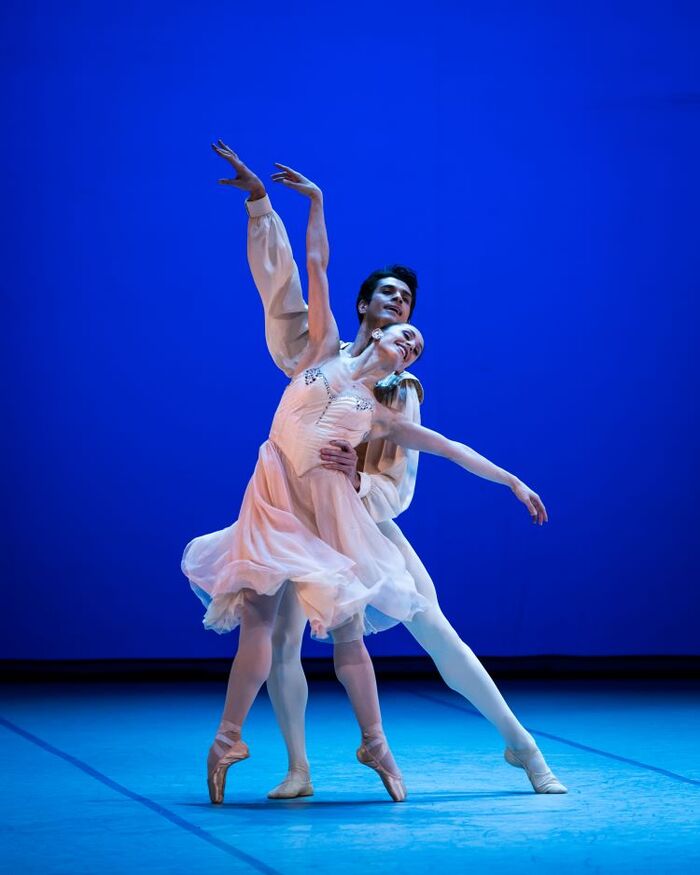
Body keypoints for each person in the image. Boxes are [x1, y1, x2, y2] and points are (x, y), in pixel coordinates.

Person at [212, 141, 568, 799]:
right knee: (285, 640)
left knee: (431, 623)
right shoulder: (314, 350)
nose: (398, 304)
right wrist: (264, 204)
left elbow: (408, 473)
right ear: (366, 306)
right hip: (292, 512)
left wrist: (357, 483)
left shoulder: (398, 390)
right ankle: (298, 768)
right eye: (388, 294)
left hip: (358, 522)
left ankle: (520, 744)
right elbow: (289, 281)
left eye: (407, 301)